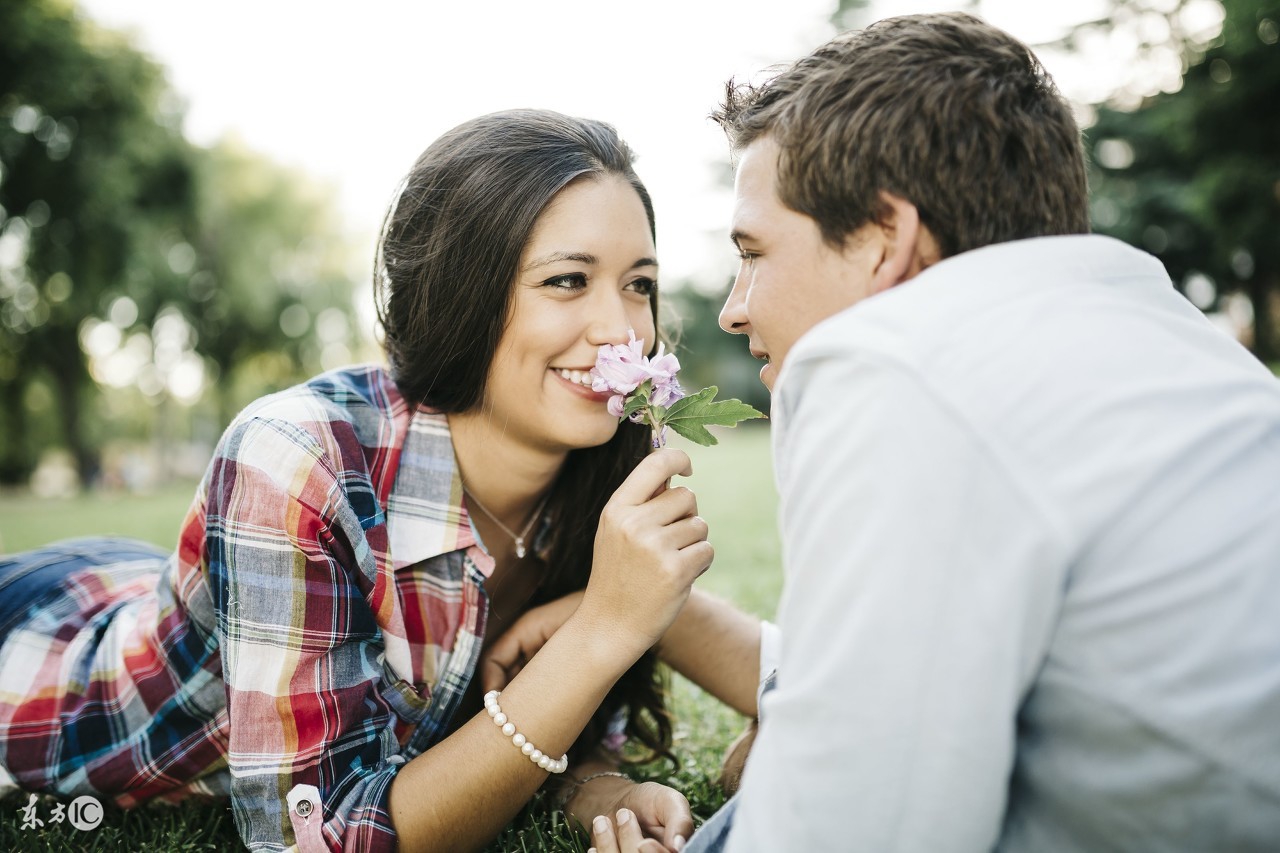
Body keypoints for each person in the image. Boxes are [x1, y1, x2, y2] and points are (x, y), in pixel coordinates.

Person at [586, 12, 1280, 853]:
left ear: (887, 239)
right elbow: (905, 673)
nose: (735, 309)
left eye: (755, 252)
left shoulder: (900, 369)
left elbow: (857, 830)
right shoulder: (1177, 345)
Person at [0, 109, 718, 852]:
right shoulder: (295, 456)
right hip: (41, 663)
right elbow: (312, 835)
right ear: (459, 294)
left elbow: (507, 726)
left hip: (137, 575)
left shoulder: (601, 461)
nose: (622, 330)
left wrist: (599, 789)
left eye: (639, 284)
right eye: (567, 280)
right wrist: (602, 629)